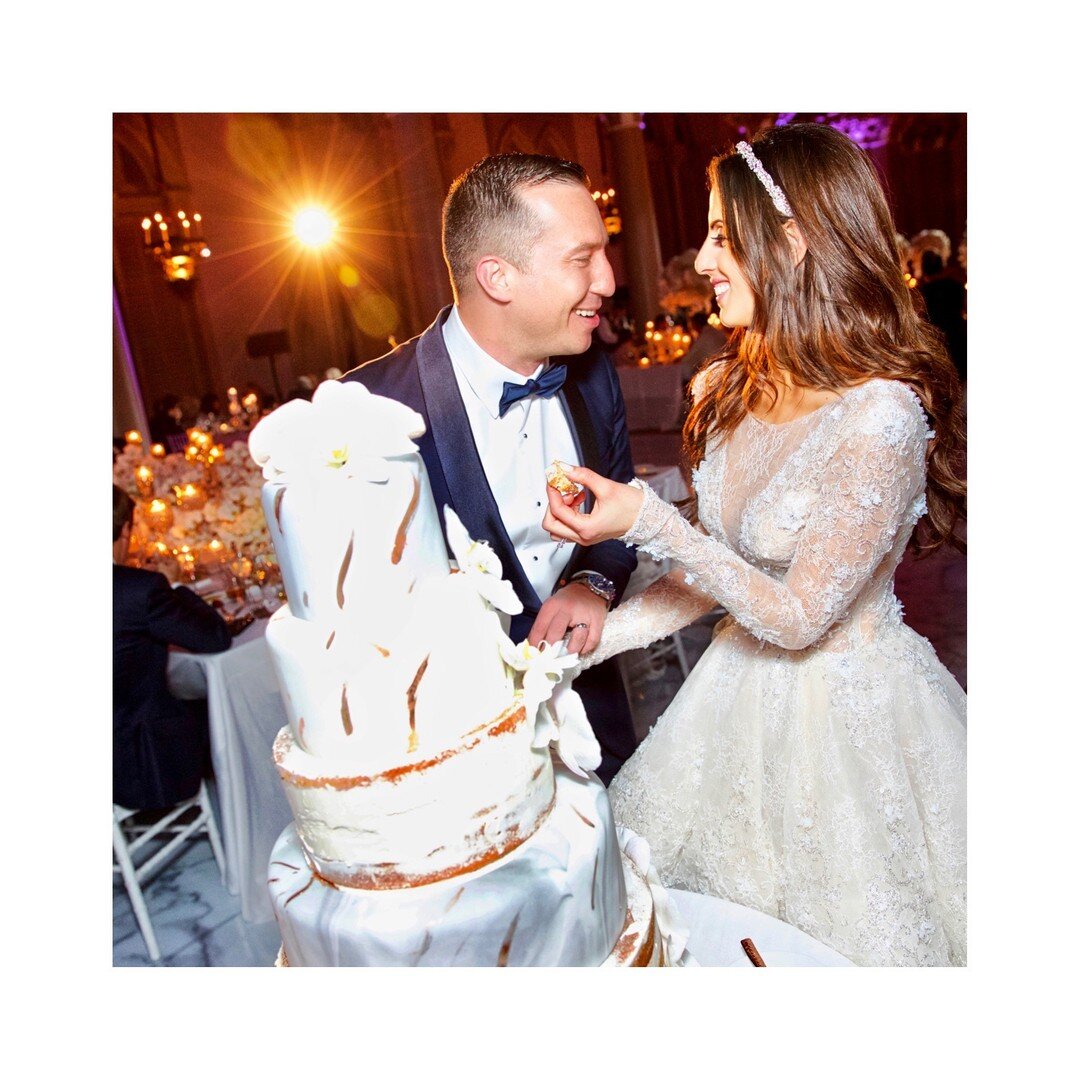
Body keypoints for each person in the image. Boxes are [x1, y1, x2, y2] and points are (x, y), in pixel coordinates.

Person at [543, 124, 967, 966]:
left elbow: (801, 614)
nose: (700, 260)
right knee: (698, 953)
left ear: (794, 242)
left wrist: (649, 523)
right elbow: (718, 579)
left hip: (857, 734)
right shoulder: (727, 386)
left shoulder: (880, 412)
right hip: (729, 709)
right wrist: (573, 650)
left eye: (722, 238)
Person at [343, 153, 638, 785]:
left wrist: (593, 583)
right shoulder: (369, 413)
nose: (609, 281)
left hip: (596, 715)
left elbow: (621, 521)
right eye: (581, 259)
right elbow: (361, 622)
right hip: (460, 755)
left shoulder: (593, 377)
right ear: (497, 277)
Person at [113, 485, 231, 810]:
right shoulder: (138, 590)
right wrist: (177, 587)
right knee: (221, 702)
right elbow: (216, 638)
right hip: (140, 766)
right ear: (125, 530)